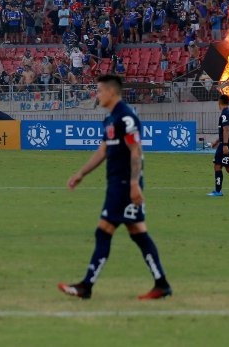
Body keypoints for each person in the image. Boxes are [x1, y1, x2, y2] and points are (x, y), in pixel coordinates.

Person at [58, 74, 172, 300]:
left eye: (99, 91)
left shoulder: (126, 118)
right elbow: (103, 151)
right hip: (117, 185)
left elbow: (136, 151)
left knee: (104, 232)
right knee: (138, 232)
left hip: (123, 186)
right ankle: (162, 284)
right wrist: (81, 173)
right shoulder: (110, 120)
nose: (97, 95)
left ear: (111, 92)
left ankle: (86, 286)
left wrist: (133, 184)